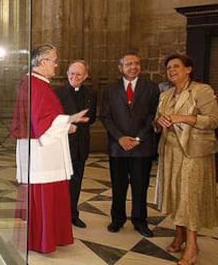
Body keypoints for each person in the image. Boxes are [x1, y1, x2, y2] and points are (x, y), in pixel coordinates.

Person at [11, 44, 90, 253]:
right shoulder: (35, 84)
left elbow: (44, 118)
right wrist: (68, 122)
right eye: (54, 61)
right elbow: (41, 121)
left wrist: (67, 124)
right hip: (41, 154)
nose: (56, 65)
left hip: (41, 151)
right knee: (44, 196)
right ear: (43, 61)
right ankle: (41, 240)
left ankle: (46, 237)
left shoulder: (36, 83)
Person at [154, 54, 218, 265]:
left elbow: (213, 121)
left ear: (188, 69)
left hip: (194, 154)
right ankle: (180, 235)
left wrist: (182, 118)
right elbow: (157, 121)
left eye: (176, 66)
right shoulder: (166, 94)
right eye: (168, 68)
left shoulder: (201, 90)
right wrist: (160, 121)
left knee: (189, 197)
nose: (171, 70)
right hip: (170, 152)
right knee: (175, 194)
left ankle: (192, 246)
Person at [100, 52, 159, 237]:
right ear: (121, 67)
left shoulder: (151, 87)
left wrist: (138, 138)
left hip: (142, 147)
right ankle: (117, 219)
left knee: (140, 186)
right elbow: (105, 117)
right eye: (128, 64)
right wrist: (120, 138)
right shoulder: (109, 89)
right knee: (118, 186)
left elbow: (153, 115)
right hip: (118, 147)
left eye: (136, 63)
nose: (133, 67)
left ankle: (140, 221)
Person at [56, 60, 97, 228]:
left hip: (81, 145)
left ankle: (73, 214)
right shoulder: (57, 92)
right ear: (67, 74)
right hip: (63, 144)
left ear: (85, 76)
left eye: (79, 74)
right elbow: (53, 118)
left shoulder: (91, 94)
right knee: (60, 182)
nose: (74, 77)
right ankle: (59, 215)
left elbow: (92, 117)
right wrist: (67, 125)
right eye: (71, 73)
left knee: (76, 181)